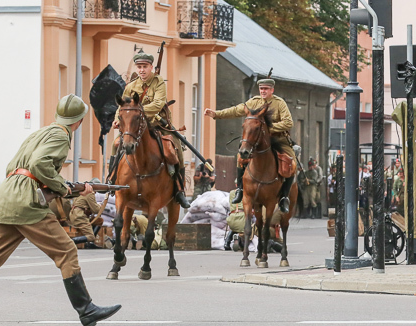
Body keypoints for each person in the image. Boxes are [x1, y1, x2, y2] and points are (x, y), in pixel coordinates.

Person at [0, 94, 121, 326]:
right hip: (27, 203)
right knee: (67, 251)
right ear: (78, 121)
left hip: (7, 198)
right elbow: (40, 164)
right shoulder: (61, 135)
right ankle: (86, 310)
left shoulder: (40, 133)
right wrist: (62, 187)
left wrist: (67, 188)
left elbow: (16, 167)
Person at [110, 52, 190, 209]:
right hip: (135, 128)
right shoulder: (131, 86)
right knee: (116, 144)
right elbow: (122, 106)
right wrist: (116, 119)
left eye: (145, 67)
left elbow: (158, 104)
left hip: (157, 124)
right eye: (139, 67)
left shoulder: (159, 82)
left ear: (151, 67)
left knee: (175, 147)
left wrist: (137, 111)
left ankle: (179, 189)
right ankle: (112, 178)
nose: (141, 70)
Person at [204, 78, 295, 213]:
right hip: (257, 141)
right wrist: (216, 114)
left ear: (272, 90)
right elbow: (236, 110)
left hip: (277, 139)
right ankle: (240, 189)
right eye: (261, 89)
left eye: (266, 89)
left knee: (291, 162)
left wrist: (267, 128)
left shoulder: (279, 103)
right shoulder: (253, 102)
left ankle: (284, 197)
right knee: (241, 157)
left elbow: (288, 123)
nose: (263, 91)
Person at [70, 178, 102, 249]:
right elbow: (96, 210)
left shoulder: (82, 190)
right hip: (79, 216)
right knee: (91, 237)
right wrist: (100, 206)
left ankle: (90, 243)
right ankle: (70, 242)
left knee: (99, 221)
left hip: (75, 214)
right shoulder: (89, 193)